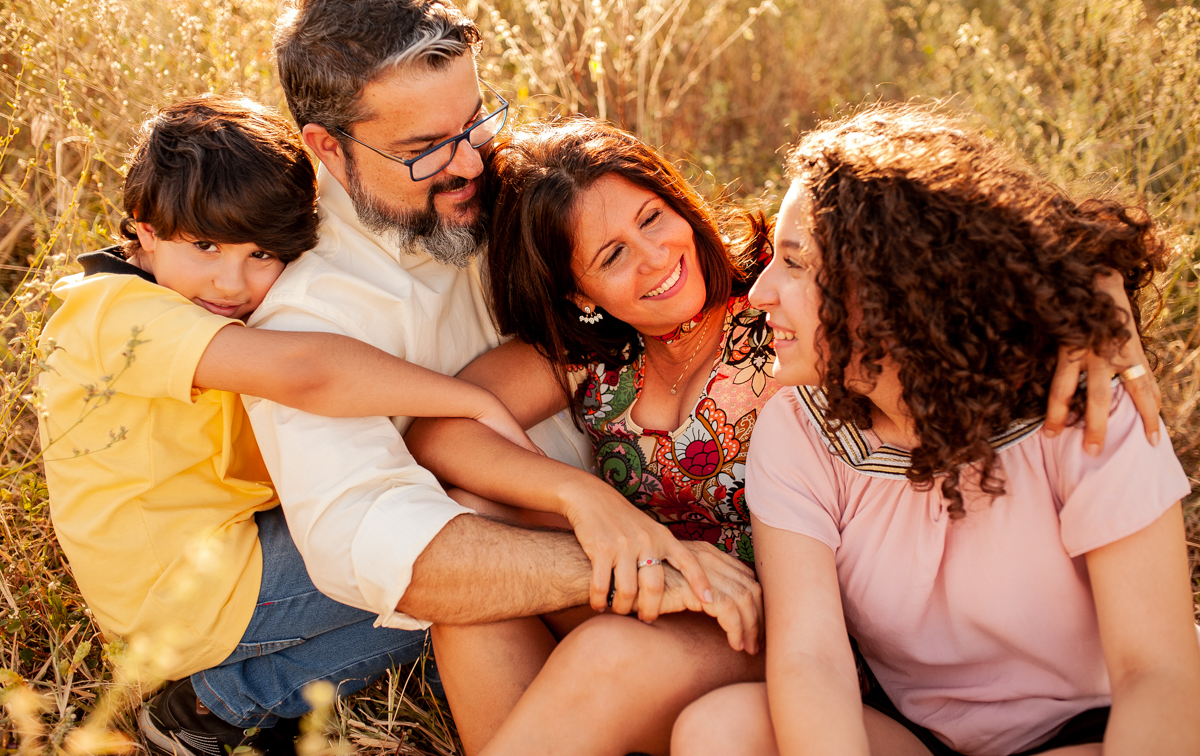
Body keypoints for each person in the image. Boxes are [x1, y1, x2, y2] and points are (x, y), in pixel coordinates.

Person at [403, 116, 1166, 756]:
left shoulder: (778, 315)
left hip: (780, 618)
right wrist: (586, 502)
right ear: (581, 293)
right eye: (611, 256)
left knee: (622, 662)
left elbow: (933, 232)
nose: (654, 259)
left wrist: (1100, 313)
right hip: (682, 601)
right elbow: (444, 427)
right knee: (475, 556)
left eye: (653, 219)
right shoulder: (607, 359)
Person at [253, 0, 758, 751]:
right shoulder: (311, 318)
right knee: (472, 578)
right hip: (603, 571)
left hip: (693, 559)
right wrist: (621, 547)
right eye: (424, 148)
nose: (468, 163)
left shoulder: (518, 188)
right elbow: (385, 549)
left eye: (475, 121)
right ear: (329, 146)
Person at [669, 106, 1200, 756]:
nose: (761, 292)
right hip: (922, 738)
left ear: (890, 288)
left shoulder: (1080, 403)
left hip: (1094, 730)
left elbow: (1159, 676)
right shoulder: (798, 427)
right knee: (720, 731)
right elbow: (813, 663)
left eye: (796, 264)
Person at [36, 94, 551, 756]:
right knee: (447, 571)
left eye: (261, 254)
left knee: (435, 549)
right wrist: (470, 400)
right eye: (206, 246)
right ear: (144, 231)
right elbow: (308, 371)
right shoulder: (115, 314)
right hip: (185, 589)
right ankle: (215, 705)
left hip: (220, 547)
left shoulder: (175, 293)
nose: (232, 281)